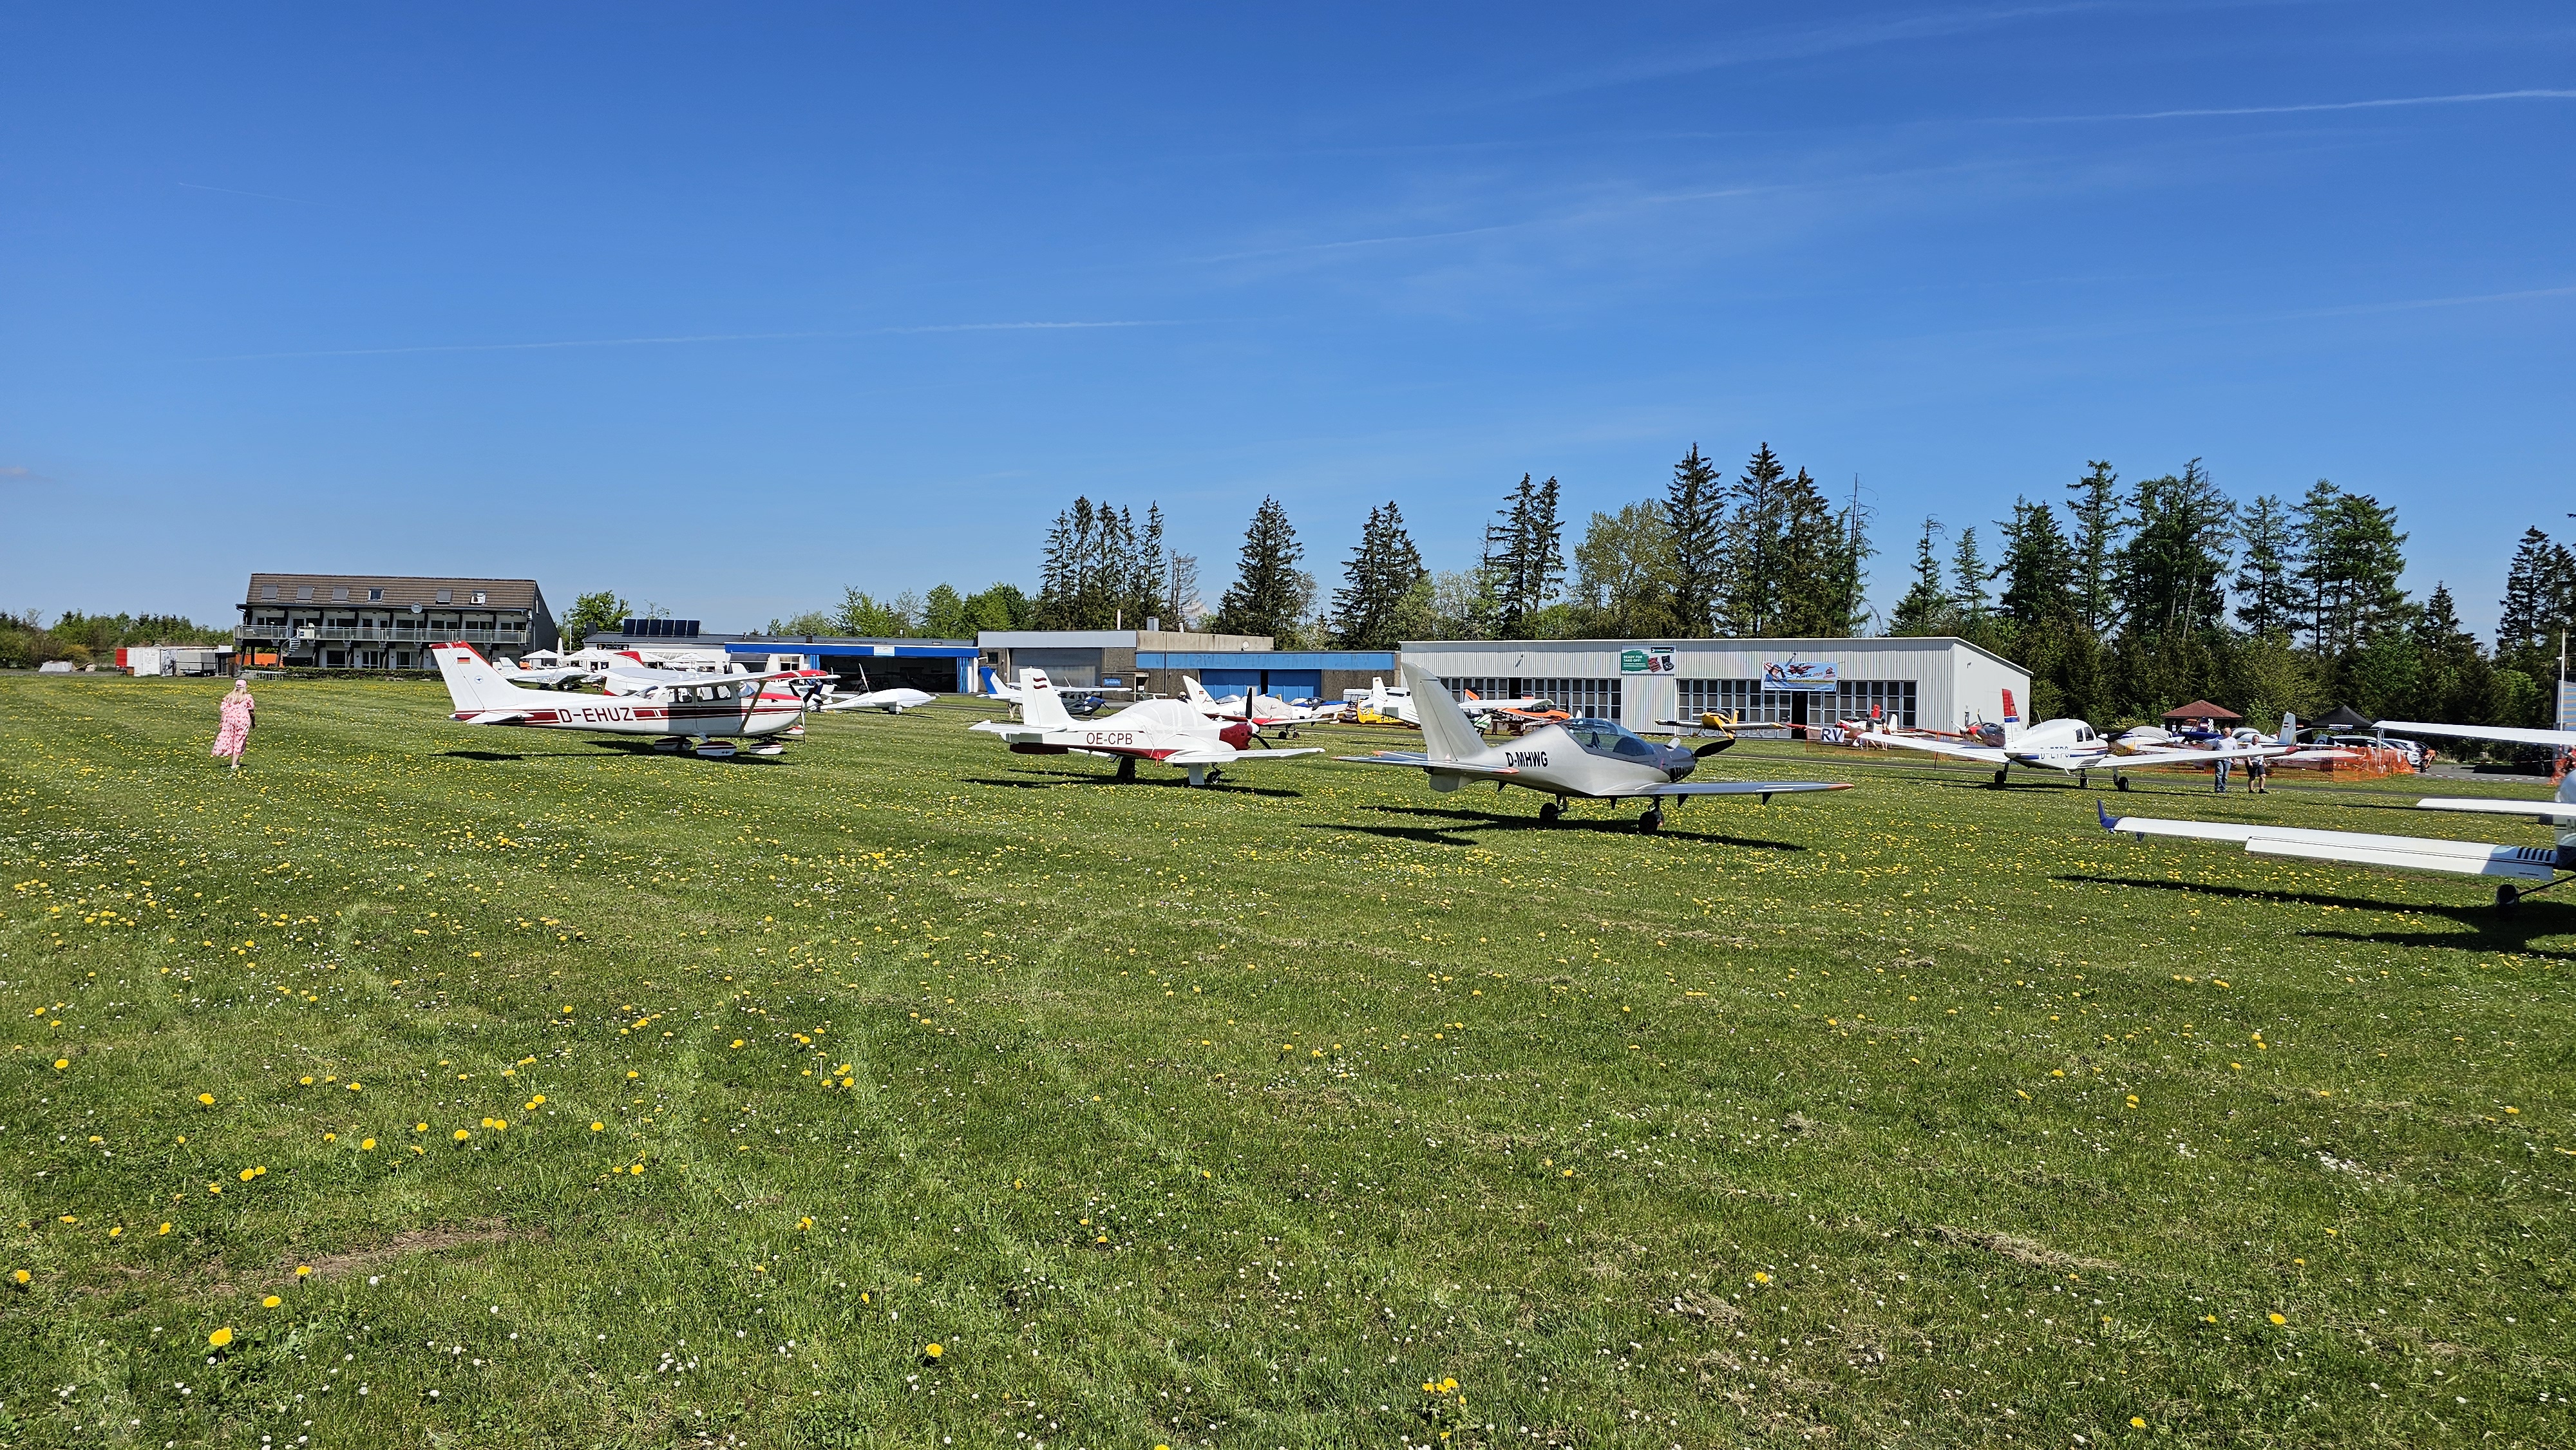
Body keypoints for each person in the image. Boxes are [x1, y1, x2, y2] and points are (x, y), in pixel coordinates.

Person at [212, 679, 255, 771]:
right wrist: (253, 721)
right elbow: (251, 711)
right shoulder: (248, 697)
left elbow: (224, 710)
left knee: (230, 737)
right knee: (239, 740)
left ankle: (236, 760)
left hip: (229, 720)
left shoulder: (229, 697)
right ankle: (234, 764)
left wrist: (222, 722)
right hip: (242, 720)